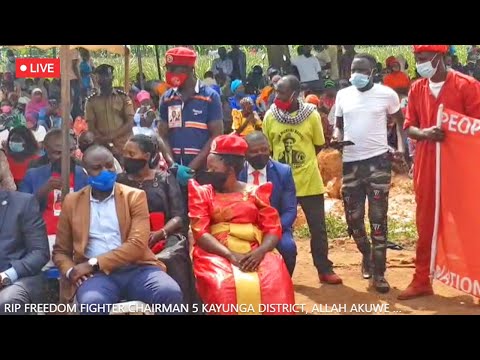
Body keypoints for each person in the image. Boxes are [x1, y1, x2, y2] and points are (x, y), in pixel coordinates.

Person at [52, 145, 183, 313]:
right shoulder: (72, 202)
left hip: (138, 269)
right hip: (97, 278)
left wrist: (94, 263)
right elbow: (60, 251)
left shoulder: (134, 197)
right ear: (85, 172)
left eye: (109, 165)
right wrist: (72, 271)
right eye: (97, 168)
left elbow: (136, 244)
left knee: (169, 292)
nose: (105, 172)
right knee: (92, 303)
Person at [398, 45, 480, 300]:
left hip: (459, 167)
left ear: (440, 57)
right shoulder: (416, 88)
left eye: (422, 59)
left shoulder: (467, 85)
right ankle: (422, 279)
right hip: (427, 162)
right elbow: (409, 126)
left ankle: (475, 281)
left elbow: (477, 128)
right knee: (425, 223)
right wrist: (425, 134)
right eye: (416, 59)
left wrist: (454, 134)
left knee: (469, 221)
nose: (419, 63)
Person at [189, 135, 295, 314]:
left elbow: (272, 228)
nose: (208, 172)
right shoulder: (202, 193)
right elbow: (201, 233)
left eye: (212, 168)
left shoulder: (255, 192)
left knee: (275, 281)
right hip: (216, 251)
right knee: (224, 287)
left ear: (230, 168)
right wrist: (231, 255)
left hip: (255, 249)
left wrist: (260, 252)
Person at [333, 53, 406, 293]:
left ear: (372, 72)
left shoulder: (387, 94)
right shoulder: (343, 95)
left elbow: (400, 122)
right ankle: (366, 254)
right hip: (351, 164)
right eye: (354, 70)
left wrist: (401, 149)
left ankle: (379, 273)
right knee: (353, 221)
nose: (357, 75)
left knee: (378, 220)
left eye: (362, 70)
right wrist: (336, 139)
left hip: (378, 164)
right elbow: (339, 126)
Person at [263, 75, 342, 285]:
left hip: (309, 181)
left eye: (281, 92)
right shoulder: (270, 116)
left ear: (295, 94)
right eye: (276, 91)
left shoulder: (312, 115)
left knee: (318, 228)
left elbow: (318, 144)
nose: (277, 96)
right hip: (280, 184)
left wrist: (303, 163)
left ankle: (324, 269)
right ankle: (276, 270)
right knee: (276, 226)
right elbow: (267, 149)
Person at [117, 135, 198, 308]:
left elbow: (179, 216)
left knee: (171, 256)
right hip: (129, 235)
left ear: (146, 156)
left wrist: (161, 233)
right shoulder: (120, 181)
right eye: (125, 153)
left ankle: (177, 306)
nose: (126, 157)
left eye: (132, 153)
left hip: (163, 234)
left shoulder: (165, 178)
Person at [158, 47, 223, 192]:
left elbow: (216, 135)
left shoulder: (210, 97)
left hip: (202, 172)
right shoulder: (167, 98)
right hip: (173, 173)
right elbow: (162, 135)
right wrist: (173, 165)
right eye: (168, 68)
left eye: (174, 68)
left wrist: (191, 168)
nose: (169, 73)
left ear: (189, 69)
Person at [238, 131, 297, 276]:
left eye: (264, 149)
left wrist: (271, 231)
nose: (260, 154)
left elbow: (290, 210)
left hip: (275, 226)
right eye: (254, 151)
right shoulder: (236, 171)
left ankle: (284, 283)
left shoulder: (283, 172)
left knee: (288, 247)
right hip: (242, 226)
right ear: (245, 153)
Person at [19, 129, 89, 237]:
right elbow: (22, 209)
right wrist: (45, 190)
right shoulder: (33, 175)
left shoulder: (83, 174)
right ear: (46, 150)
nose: (65, 157)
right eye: (58, 153)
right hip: (44, 237)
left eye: (70, 151)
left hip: (77, 235)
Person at [0, 190, 50, 314]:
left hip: (16, 279)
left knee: (8, 301)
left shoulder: (23, 203)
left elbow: (39, 253)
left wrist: (5, 276)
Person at [85, 64, 134, 161]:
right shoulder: (91, 101)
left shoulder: (123, 97)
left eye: (107, 75)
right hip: (102, 146)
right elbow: (91, 126)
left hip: (123, 144)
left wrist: (112, 136)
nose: (104, 79)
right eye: (100, 76)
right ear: (97, 78)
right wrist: (104, 141)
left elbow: (130, 122)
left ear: (112, 77)